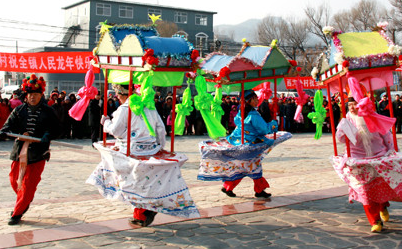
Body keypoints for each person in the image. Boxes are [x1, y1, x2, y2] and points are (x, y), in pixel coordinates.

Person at [88, 83, 198, 227]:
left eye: (118, 96)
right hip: (151, 150)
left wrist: (106, 122)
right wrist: (159, 146)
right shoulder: (149, 107)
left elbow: (116, 131)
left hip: (131, 151)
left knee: (127, 179)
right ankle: (144, 212)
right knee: (145, 182)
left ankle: (142, 213)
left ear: (121, 95)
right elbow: (160, 128)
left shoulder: (125, 109)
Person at [333, 96, 402, 233]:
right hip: (359, 160)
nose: (352, 107)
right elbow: (340, 139)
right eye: (349, 105)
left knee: (381, 186)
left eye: (355, 104)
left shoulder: (373, 118)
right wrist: (342, 131)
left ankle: (382, 206)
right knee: (365, 191)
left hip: (380, 157)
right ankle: (375, 220)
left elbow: (386, 136)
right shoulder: (346, 121)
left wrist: (392, 152)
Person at [0, 75, 60, 225]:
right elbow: (8, 126)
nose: (32, 97)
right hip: (19, 151)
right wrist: (4, 132)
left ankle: (17, 213)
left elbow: (58, 129)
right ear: (26, 95)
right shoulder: (19, 110)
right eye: (30, 95)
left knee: (28, 186)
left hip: (38, 153)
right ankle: (24, 201)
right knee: (15, 182)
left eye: (36, 94)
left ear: (41, 95)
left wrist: (48, 135)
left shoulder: (49, 111)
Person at [223, 90, 279, 198]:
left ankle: (229, 187)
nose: (258, 100)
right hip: (250, 145)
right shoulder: (253, 115)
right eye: (255, 98)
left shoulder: (241, 112)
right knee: (251, 167)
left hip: (239, 142)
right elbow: (263, 129)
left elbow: (237, 123)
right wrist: (273, 124)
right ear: (250, 100)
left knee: (246, 167)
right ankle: (257, 190)